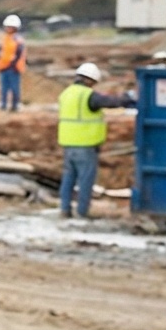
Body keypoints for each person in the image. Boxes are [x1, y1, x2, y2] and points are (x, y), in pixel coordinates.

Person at [57, 60, 136, 219]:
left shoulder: (66, 93)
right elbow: (109, 102)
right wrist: (128, 98)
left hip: (68, 144)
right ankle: (82, 212)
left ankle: (64, 209)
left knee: (68, 179)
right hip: (84, 145)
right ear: (89, 79)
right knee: (86, 180)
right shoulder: (87, 95)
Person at [0, 13, 26, 111]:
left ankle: (15, 105)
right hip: (3, 67)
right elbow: (0, 51)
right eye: (7, 27)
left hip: (13, 68)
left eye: (10, 27)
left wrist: (13, 64)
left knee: (14, 88)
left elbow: (19, 53)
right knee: (4, 88)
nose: (8, 29)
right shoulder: (4, 38)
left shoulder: (18, 40)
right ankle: (3, 105)